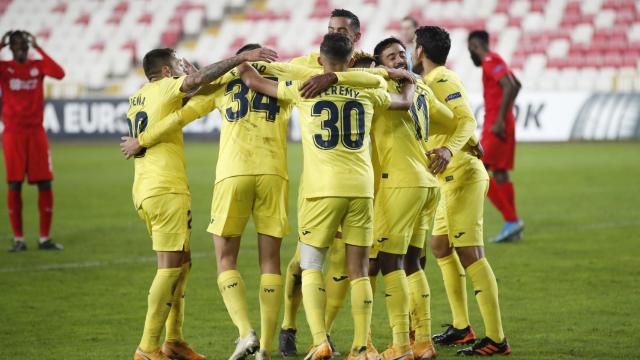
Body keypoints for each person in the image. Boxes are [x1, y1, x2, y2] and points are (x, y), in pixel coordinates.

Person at [121, 44, 384, 360]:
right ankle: (267, 350)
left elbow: (179, 116)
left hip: (232, 174)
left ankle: (245, 332)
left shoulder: (224, 85)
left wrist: (142, 140)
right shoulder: (289, 87)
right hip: (275, 174)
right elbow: (362, 80)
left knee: (225, 259)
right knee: (271, 262)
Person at [238, 32, 414, 360]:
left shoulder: (303, 89)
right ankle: (362, 347)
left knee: (311, 265)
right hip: (361, 189)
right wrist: (405, 77)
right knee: (359, 269)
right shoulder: (368, 89)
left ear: (319, 60)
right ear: (350, 61)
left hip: (322, 191)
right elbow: (404, 100)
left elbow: (252, 80)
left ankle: (320, 340)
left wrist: (241, 60)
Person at [120, 45, 278, 360]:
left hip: (146, 186)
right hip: (166, 188)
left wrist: (197, 84)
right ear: (165, 71)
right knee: (169, 267)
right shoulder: (166, 87)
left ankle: (174, 341)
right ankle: (148, 347)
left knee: (183, 263)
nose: (183, 68)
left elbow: (186, 99)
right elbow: (198, 81)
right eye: (178, 64)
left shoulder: (138, 97)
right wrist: (240, 59)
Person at [412, 26, 511, 356]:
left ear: (420, 51)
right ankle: (461, 327)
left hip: (462, 175)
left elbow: (466, 120)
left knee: (470, 253)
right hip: (447, 178)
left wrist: (451, 150)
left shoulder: (442, 79)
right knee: (440, 246)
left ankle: (496, 338)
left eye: (412, 47)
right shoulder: (425, 83)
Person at [369, 37, 453, 360]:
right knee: (412, 263)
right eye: (391, 56)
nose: (400, 60)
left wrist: (379, 69)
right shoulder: (420, 89)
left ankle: (401, 345)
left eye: (401, 54)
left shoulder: (381, 84)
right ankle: (424, 344)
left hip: (401, 183)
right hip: (427, 185)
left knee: (388, 262)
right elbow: (450, 119)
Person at [0, 30, 64, 252]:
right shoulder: (5, 68)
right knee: (14, 184)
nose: (20, 48)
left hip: (36, 133)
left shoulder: (37, 66)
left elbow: (60, 73)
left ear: (28, 46)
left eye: (23, 44)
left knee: (45, 183)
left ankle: (44, 238)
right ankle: (19, 239)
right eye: (16, 45)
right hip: (13, 134)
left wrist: (39, 48)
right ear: (10, 48)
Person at [468, 30, 523, 243]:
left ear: (475, 45)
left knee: (477, 170)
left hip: (496, 125)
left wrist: (499, 119)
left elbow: (509, 86)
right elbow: (516, 84)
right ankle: (512, 225)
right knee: (500, 173)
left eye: (470, 49)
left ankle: (512, 219)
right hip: (502, 123)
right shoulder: (495, 59)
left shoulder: (490, 60)